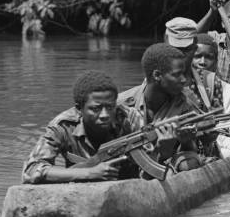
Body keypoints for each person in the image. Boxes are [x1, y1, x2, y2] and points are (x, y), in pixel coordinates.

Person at [22, 70, 174, 184]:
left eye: (110, 107)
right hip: (79, 188)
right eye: (96, 109)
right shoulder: (63, 125)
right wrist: (89, 172)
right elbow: (30, 171)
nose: (105, 115)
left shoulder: (130, 118)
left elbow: (148, 175)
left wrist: (164, 151)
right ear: (79, 108)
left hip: (127, 189)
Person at [118, 43, 202, 169]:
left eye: (184, 74)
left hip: (168, 168)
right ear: (157, 75)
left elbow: (192, 151)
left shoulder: (186, 105)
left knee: (189, 164)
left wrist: (186, 141)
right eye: (177, 75)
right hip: (126, 167)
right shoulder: (122, 105)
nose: (184, 80)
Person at [164, 17, 230, 115]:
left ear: (194, 48)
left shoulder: (226, 91)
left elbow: (229, 129)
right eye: (174, 49)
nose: (179, 55)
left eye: (186, 49)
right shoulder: (154, 82)